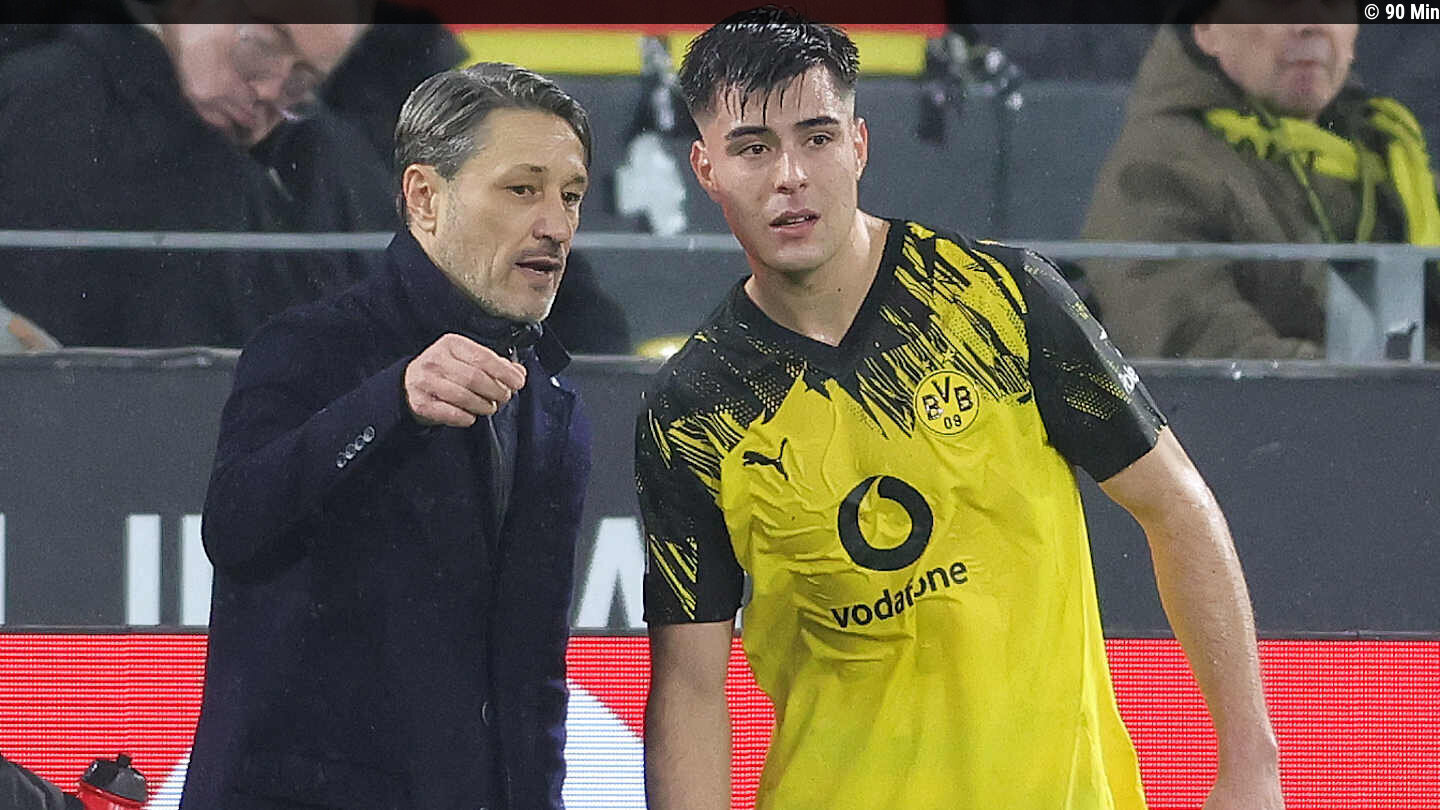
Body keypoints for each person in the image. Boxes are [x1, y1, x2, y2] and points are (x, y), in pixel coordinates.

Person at [636, 8, 1282, 810]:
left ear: (859, 144)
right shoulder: (693, 412)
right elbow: (691, 686)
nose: (790, 175)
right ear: (706, 168)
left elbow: (1176, 505)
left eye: (817, 137)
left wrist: (1251, 762)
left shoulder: (1003, 300)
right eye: (753, 148)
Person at [181, 62, 593, 809]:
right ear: (425, 197)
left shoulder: (551, 405)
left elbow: (532, 682)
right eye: (522, 189)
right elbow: (234, 526)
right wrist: (392, 402)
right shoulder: (310, 345)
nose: (556, 226)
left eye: (570, 195)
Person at [0, 11, 393, 348]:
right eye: (263, 46)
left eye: (302, 79)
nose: (271, 90)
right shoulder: (49, 99)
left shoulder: (323, 164)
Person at [1082, 4, 1440, 359]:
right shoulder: (1156, 170)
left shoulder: (1393, 157)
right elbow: (1212, 355)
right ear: (1207, 29)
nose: (1311, 25)